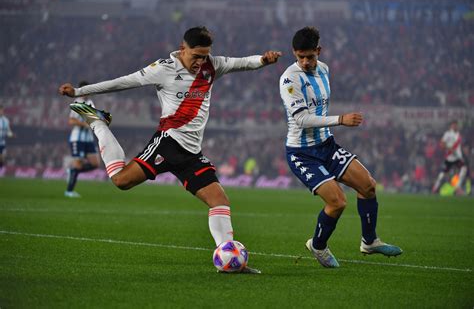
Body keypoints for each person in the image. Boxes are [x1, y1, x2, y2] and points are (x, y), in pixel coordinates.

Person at [59, 26, 281, 273]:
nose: (200, 61)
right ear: (182, 48)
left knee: (219, 200)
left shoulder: (212, 65)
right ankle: (97, 121)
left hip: (192, 153)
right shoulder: (163, 68)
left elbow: (242, 63)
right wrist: (79, 92)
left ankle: (229, 260)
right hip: (168, 142)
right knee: (121, 181)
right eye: (196, 55)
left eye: (204, 55)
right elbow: (123, 82)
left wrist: (263, 60)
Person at [279, 27, 402, 268]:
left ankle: (369, 241)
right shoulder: (289, 79)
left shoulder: (324, 70)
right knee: (337, 202)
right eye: (300, 56)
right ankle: (318, 245)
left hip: (326, 145)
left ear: (319, 51)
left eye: (310, 56)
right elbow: (301, 119)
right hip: (302, 153)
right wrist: (340, 119)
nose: (305, 62)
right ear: (294, 53)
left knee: (368, 186)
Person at [64, 81, 100, 198]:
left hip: (88, 138)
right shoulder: (77, 102)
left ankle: (73, 171)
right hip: (77, 139)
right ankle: (69, 191)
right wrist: (83, 124)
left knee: (95, 164)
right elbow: (71, 121)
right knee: (78, 164)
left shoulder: (90, 102)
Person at [432, 121, 467, 195]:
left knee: (463, 169)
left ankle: (458, 187)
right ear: (451, 126)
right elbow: (441, 144)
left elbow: (458, 147)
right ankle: (435, 187)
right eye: (453, 125)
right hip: (450, 158)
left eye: (456, 125)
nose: (455, 126)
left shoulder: (458, 134)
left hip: (457, 158)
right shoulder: (447, 134)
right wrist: (449, 148)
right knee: (443, 174)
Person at [0, 104, 14, 169]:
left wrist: (11, 135)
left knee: (2, 159)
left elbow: (8, 131)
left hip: (2, 142)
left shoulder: (5, 120)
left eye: (1, 110)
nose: (1, 111)